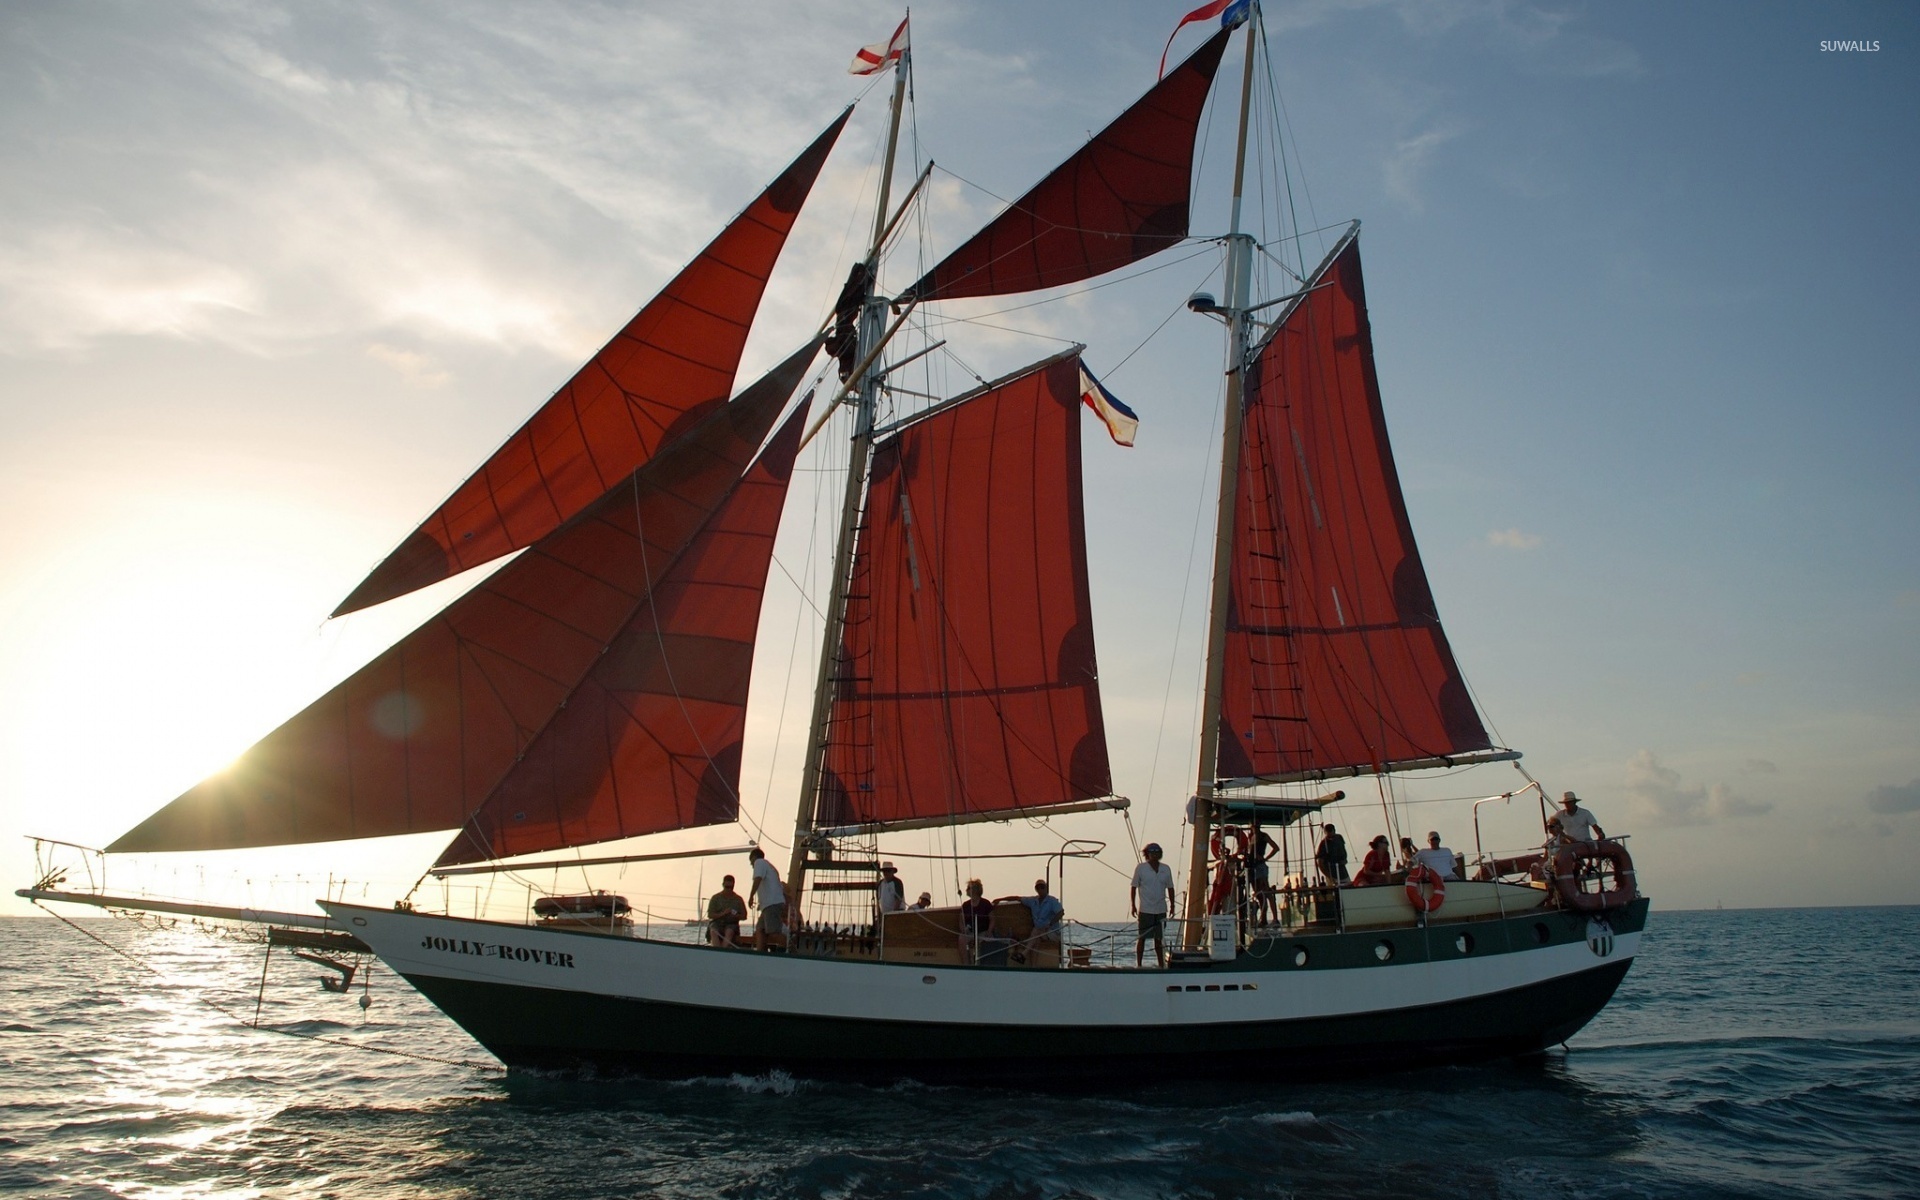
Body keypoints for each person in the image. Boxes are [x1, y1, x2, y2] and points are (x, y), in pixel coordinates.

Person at [1130, 843, 1175, 967]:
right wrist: (1133, 905)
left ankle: (1161, 965)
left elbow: (1170, 887)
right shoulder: (1141, 868)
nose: (1154, 855)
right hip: (1145, 909)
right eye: (1152, 852)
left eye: (1157, 852)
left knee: (1159, 939)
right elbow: (1133, 887)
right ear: (1147, 854)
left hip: (1160, 909)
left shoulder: (1166, 868)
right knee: (1142, 937)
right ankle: (1139, 964)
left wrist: (1172, 905)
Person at [746, 847, 786, 951]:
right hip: (768, 905)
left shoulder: (759, 862)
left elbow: (758, 879)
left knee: (773, 933)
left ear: (753, 857)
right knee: (760, 929)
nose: (751, 864)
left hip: (771, 904)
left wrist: (751, 896)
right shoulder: (769, 867)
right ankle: (760, 953)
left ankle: (790, 948)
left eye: (751, 861)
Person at [1247, 826, 1280, 925]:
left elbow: (1276, 848)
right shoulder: (1251, 837)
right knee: (1259, 894)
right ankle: (1263, 919)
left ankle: (1275, 918)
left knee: (1267, 892)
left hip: (1260, 866)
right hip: (1252, 867)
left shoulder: (1263, 836)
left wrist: (1265, 858)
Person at [706, 874, 747, 947]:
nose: (729, 889)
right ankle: (718, 951)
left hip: (732, 923)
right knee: (713, 931)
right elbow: (710, 915)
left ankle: (722, 951)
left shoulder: (738, 899)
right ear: (723, 885)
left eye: (731, 887)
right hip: (717, 922)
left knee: (729, 932)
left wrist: (736, 916)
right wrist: (723, 913)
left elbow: (744, 916)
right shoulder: (716, 898)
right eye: (727, 887)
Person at [1021, 879, 1064, 949]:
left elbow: (1061, 912)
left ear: (1046, 888)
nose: (1040, 889)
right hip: (1040, 933)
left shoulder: (1052, 901)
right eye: (1038, 888)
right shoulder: (1033, 901)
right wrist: (999, 900)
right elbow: (1018, 898)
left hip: (1051, 932)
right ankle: (1027, 957)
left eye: (1042, 887)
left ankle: (1024, 953)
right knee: (1036, 940)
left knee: (1036, 931)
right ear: (1036, 889)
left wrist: (1050, 924)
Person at [958, 878, 993, 961]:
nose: (966, 890)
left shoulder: (985, 903)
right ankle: (966, 964)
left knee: (987, 941)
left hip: (983, 932)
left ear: (975, 890)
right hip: (970, 932)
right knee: (961, 939)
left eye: (968, 888)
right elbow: (961, 920)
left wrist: (989, 931)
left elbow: (992, 919)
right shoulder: (965, 905)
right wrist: (963, 930)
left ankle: (981, 963)